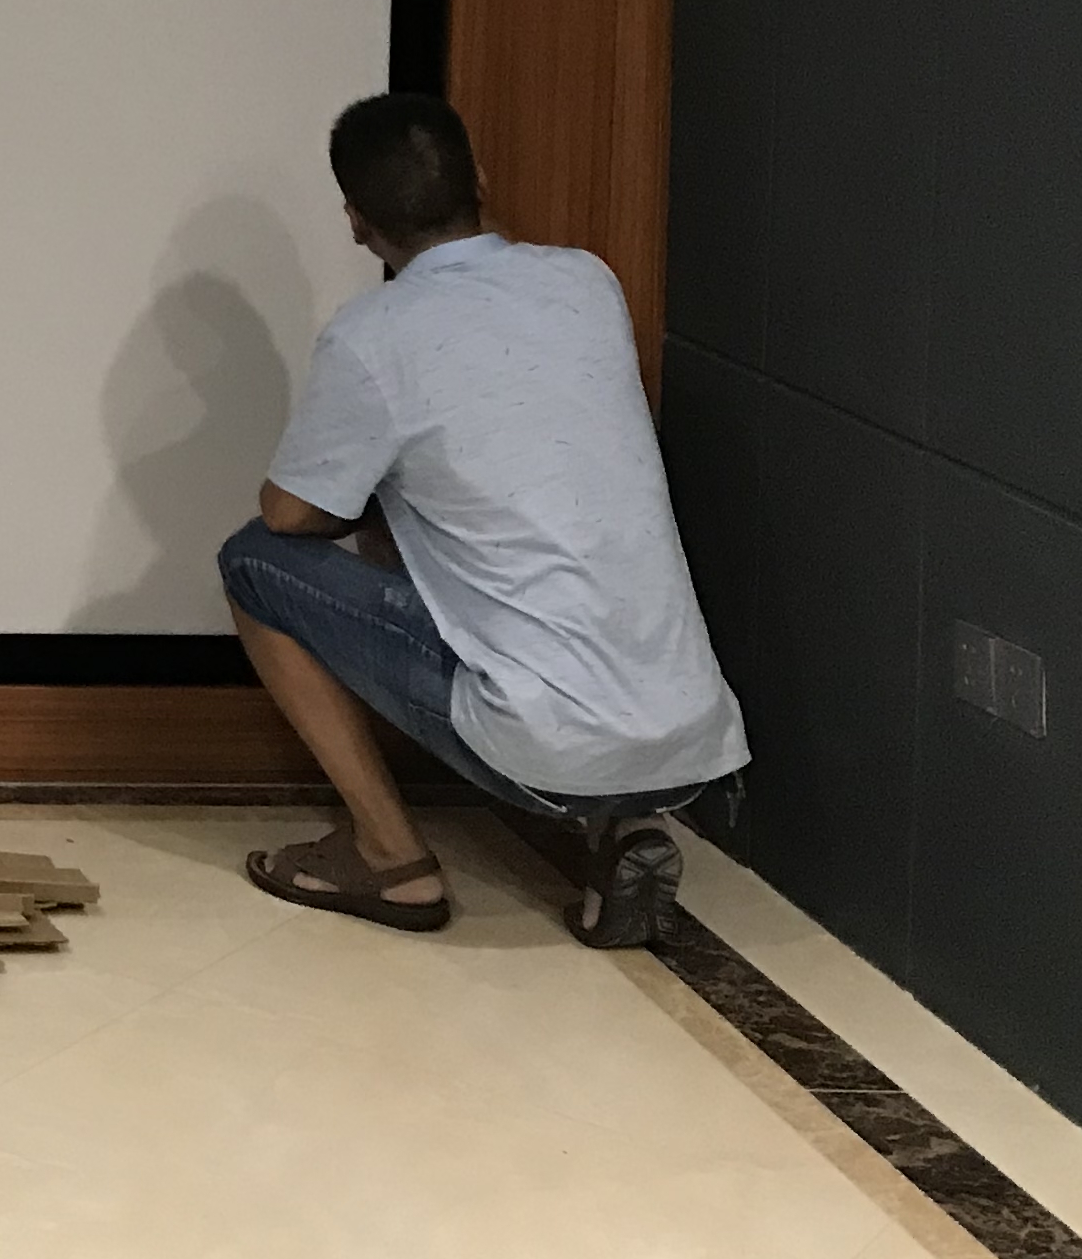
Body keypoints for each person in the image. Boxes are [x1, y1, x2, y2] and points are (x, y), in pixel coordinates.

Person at [219, 92, 746, 945]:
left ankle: (390, 859)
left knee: (253, 564)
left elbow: (289, 514)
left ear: (356, 223)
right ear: (483, 183)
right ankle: (624, 826)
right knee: (499, 549)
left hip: (543, 748)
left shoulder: (373, 335)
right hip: (693, 740)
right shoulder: (586, 282)